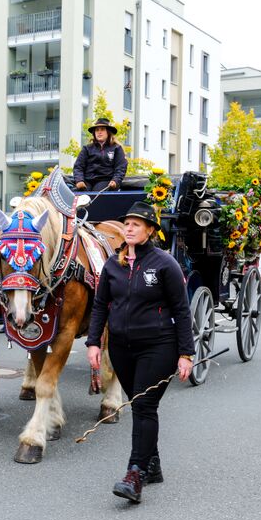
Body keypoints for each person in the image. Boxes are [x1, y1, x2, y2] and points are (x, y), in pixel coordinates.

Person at [85, 201, 194, 504]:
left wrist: (186, 353)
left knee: (144, 405)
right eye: (127, 223)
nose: (129, 228)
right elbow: (99, 306)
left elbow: (182, 310)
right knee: (139, 405)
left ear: (150, 230)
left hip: (158, 345)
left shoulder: (164, 264)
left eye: (136, 224)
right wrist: (94, 342)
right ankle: (153, 464)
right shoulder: (113, 264)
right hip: (121, 346)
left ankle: (135, 474)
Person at [70, 118, 128, 192]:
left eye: (102, 129)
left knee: (96, 193)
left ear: (108, 132)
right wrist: (79, 180)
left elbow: (121, 167)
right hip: (87, 181)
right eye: (97, 130)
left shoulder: (117, 148)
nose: (99, 132)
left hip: (106, 181)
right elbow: (78, 166)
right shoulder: (87, 148)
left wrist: (115, 180)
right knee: (77, 193)